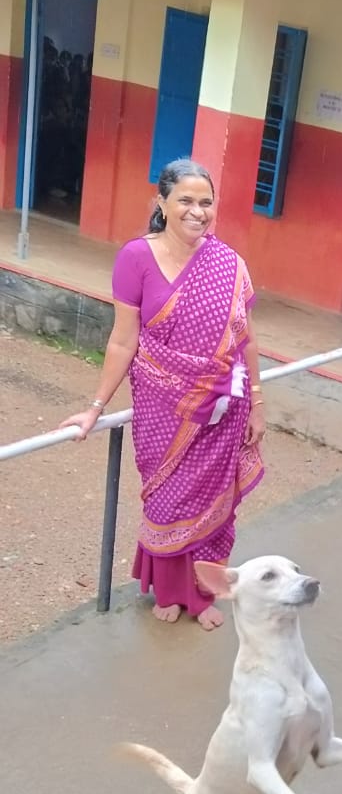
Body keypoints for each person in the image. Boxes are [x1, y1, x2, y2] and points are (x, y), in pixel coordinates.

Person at [60, 159, 265, 630]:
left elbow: (246, 338)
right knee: (167, 500)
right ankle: (169, 591)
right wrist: (95, 409)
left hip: (223, 409)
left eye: (206, 202)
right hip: (161, 408)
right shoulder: (135, 257)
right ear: (163, 204)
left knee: (212, 502)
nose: (198, 212)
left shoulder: (229, 264)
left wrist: (258, 402)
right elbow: (123, 340)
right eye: (186, 201)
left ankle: (200, 594)